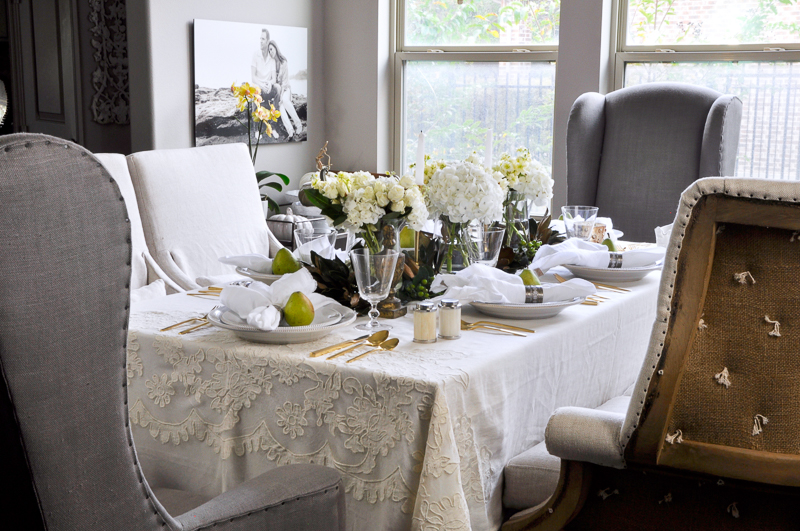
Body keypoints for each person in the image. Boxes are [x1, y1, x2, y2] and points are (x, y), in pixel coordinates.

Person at [268, 40, 304, 141]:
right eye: (269, 51)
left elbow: (285, 81)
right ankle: (290, 131)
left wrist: (281, 94)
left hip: (286, 88)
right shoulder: (271, 64)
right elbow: (273, 82)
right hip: (278, 91)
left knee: (285, 100)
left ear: (275, 47)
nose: (270, 52)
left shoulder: (284, 62)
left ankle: (298, 124)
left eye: (271, 49)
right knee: (280, 107)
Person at [251, 28, 279, 107]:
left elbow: (274, 79)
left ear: (267, 41)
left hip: (268, 89)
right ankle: (254, 118)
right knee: (255, 90)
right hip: (259, 89)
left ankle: (274, 114)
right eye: (260, 38)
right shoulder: (255, 55)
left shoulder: (272, 59)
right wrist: (261, 85)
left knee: (278, 88)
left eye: (263, 39)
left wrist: (270, 83)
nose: (260, 41)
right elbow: (253, 77)